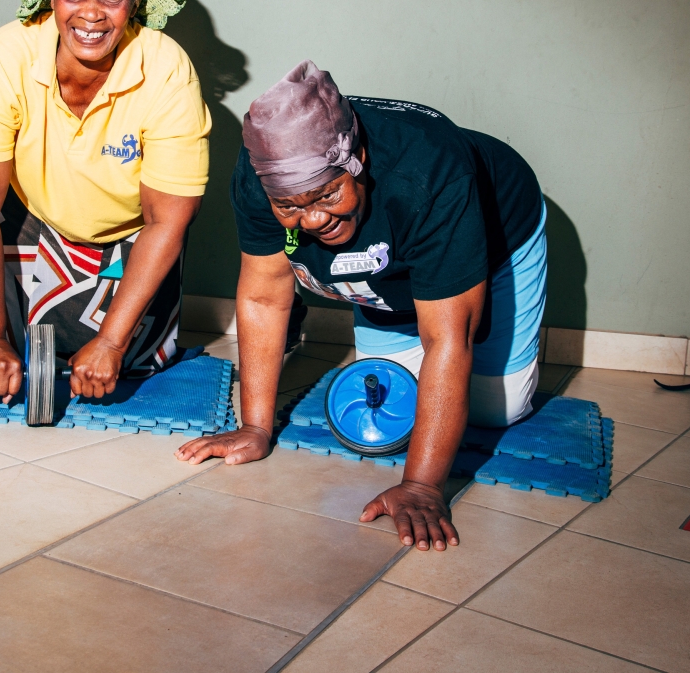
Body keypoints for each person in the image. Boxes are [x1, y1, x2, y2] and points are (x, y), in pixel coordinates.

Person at [176, 61, 546, 553]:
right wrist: (255, 427)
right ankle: (403, 294)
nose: (311, 219)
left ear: (360, 159)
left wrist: (422, 486)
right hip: (382, 258)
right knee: (394, 412)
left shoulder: (433, 173)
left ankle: (485, 306)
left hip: (497, 231)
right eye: (290, 206)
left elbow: (447, 340)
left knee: (495, 409)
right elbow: (264, 296)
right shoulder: (258, 177)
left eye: (329, 194)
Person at [0, 0, 210, 405]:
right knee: (0, 349)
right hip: (33, 224)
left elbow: (167, 223)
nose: (90, 12)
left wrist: (111, 341)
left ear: (134, 3)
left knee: (131, 363)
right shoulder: (7, 55)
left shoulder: (167, 70)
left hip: (129, 237)